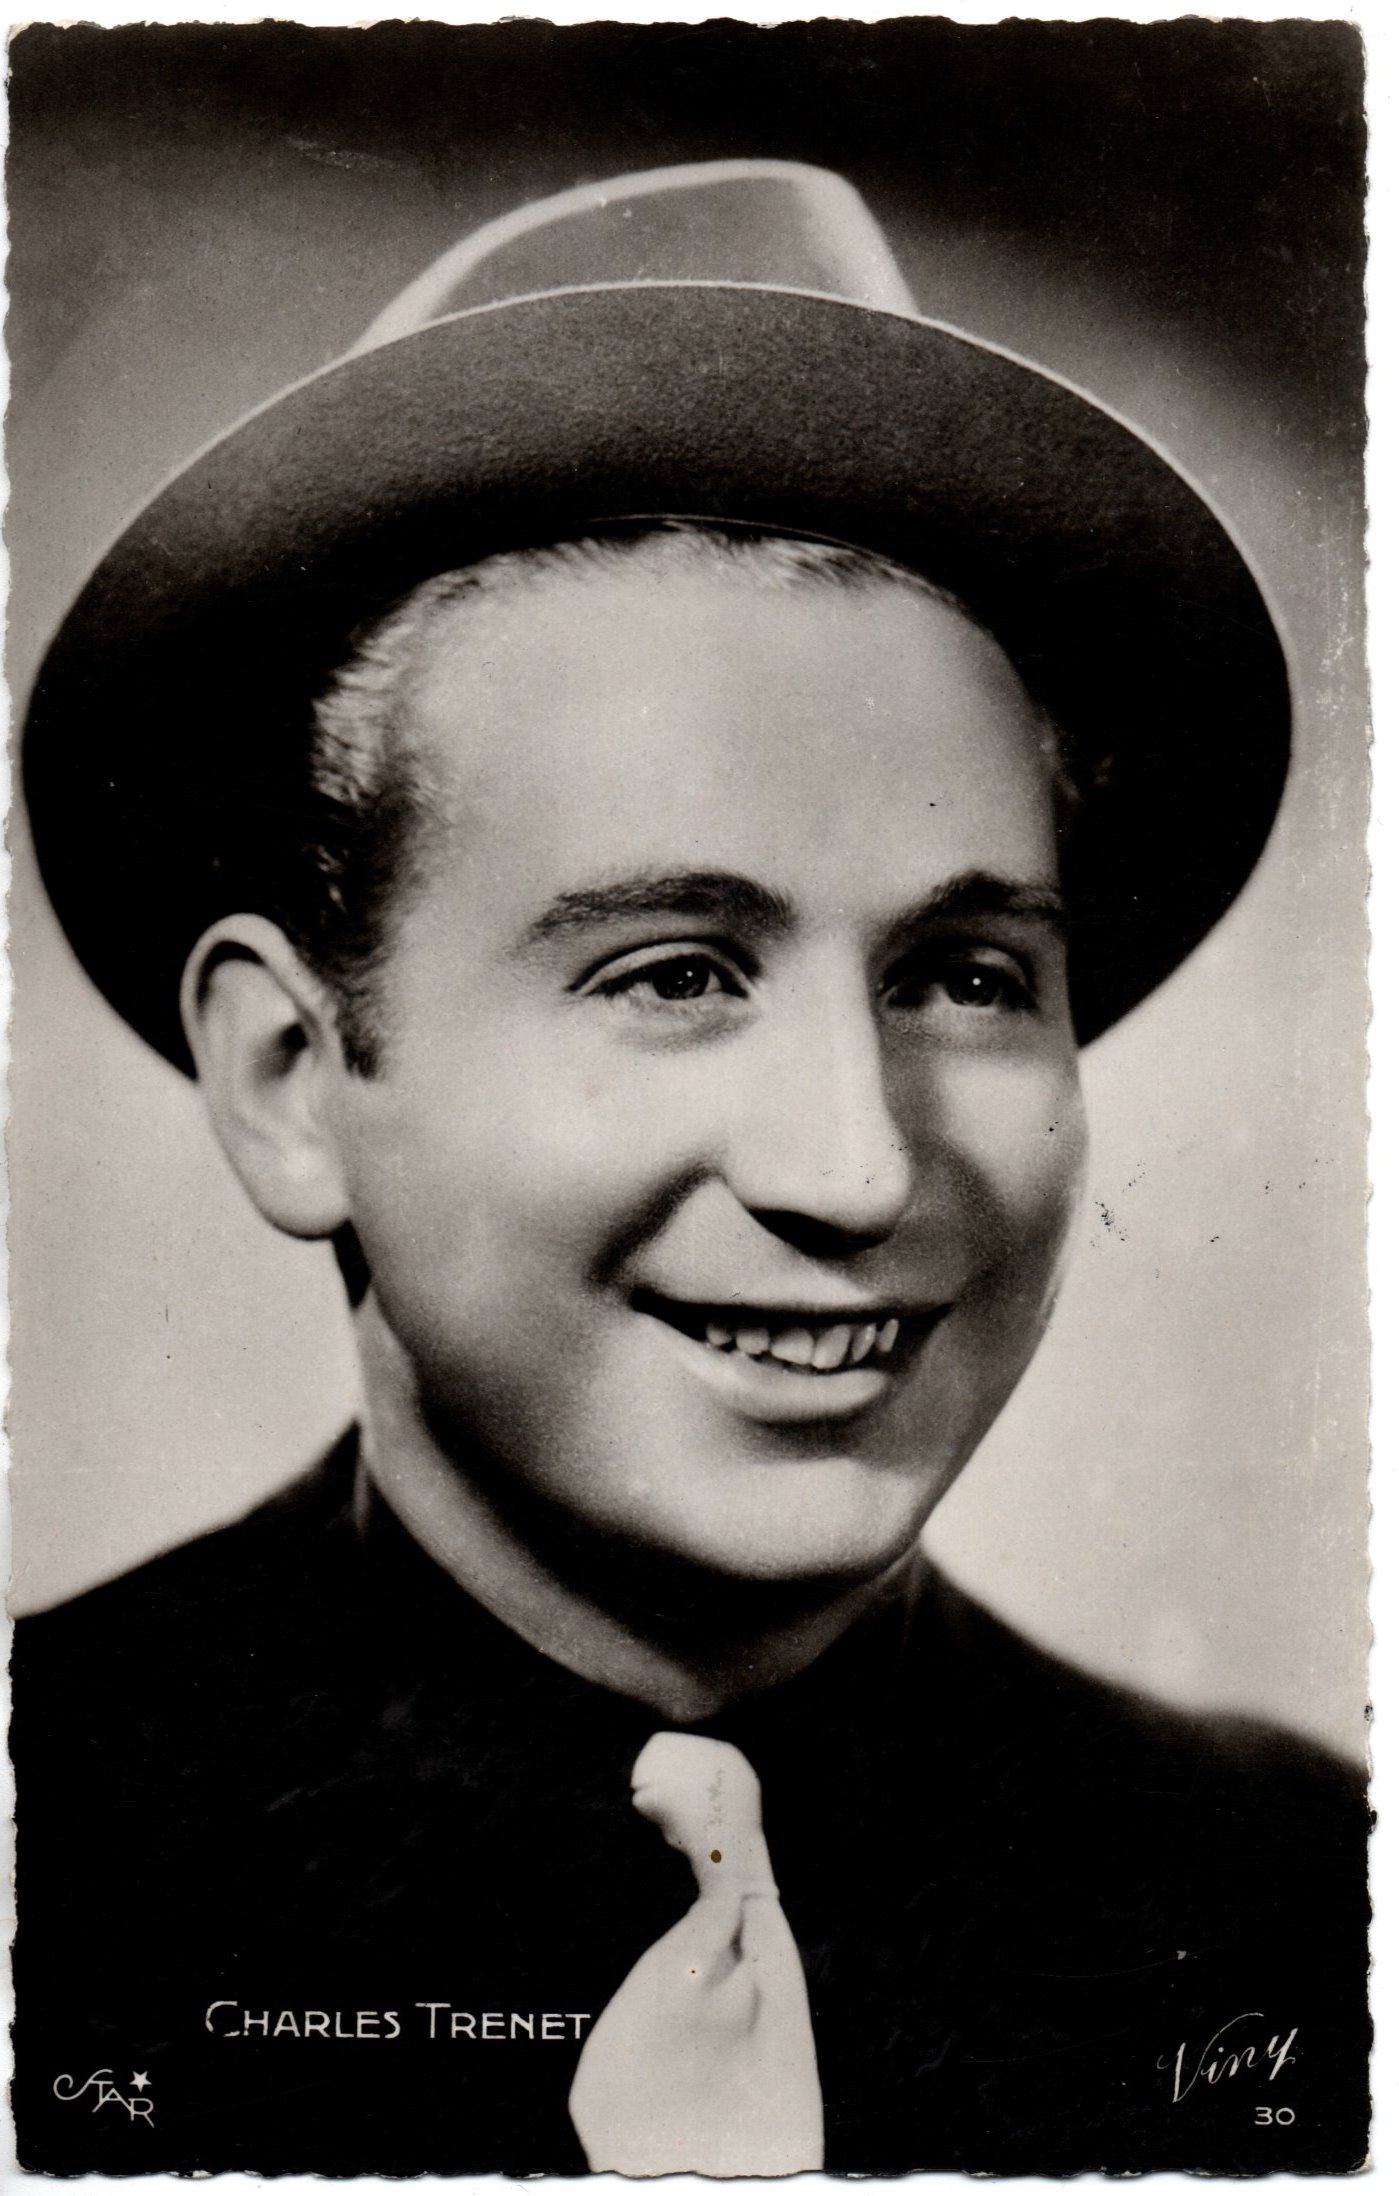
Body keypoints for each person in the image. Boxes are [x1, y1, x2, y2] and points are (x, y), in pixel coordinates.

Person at [10, 160, 1369, 2177]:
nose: (856, 1168)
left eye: (965, 977)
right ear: (294, 1077)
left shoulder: (1301, 1900)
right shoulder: (39, 1860)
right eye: (673, 973)